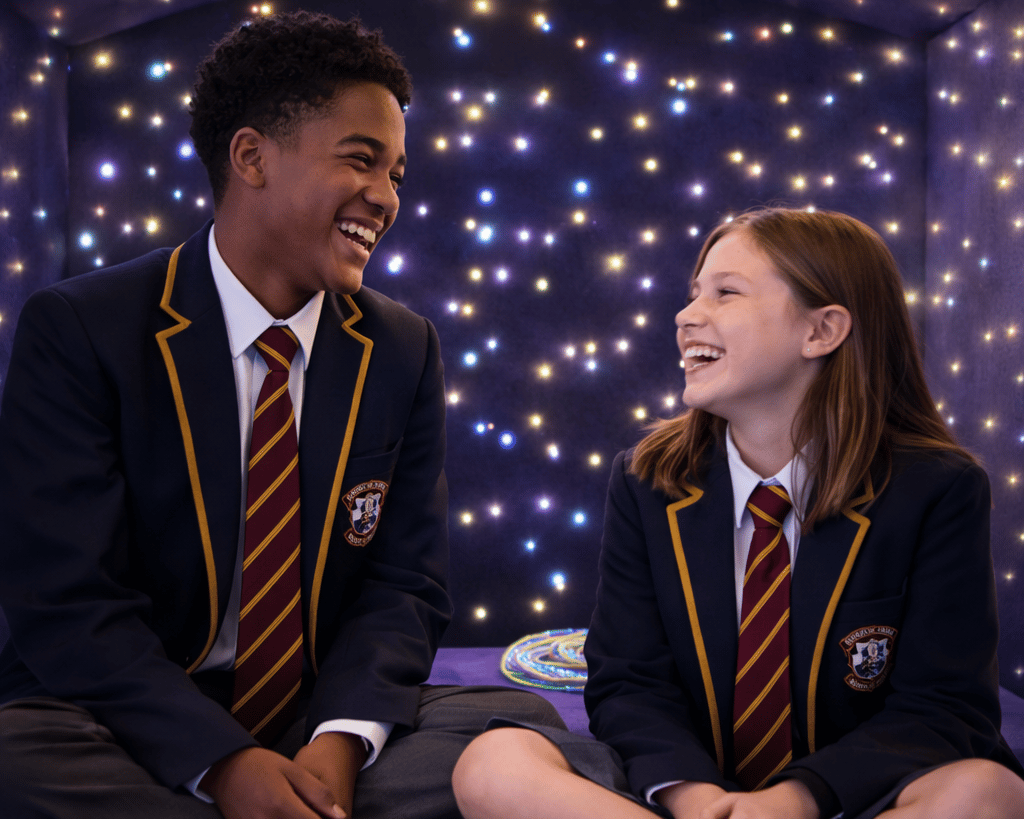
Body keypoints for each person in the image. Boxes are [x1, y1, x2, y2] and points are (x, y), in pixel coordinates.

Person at [0, 11, 561, 819]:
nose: (386, 197)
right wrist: (223, 763)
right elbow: (67, 604)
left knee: (525, 726)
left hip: (307, 718)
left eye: (397, 174)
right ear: (252, 156)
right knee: (15, 757)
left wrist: (338, 740)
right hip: (122, 720)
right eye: (362, 161)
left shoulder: (401, 347)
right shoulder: (84, 326)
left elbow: (405, 586)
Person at [452, 207, 1024, 819]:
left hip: (849, 795)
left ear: (821, 331)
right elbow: (630, 683)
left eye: (726, 293)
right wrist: (697, 800)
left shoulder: (937, 488)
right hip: (686, 795)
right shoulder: (648, 480)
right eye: (694, 293)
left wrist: (794, 800)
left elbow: (942, 709)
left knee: (987, 793)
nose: (686, 315)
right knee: (495, 761)